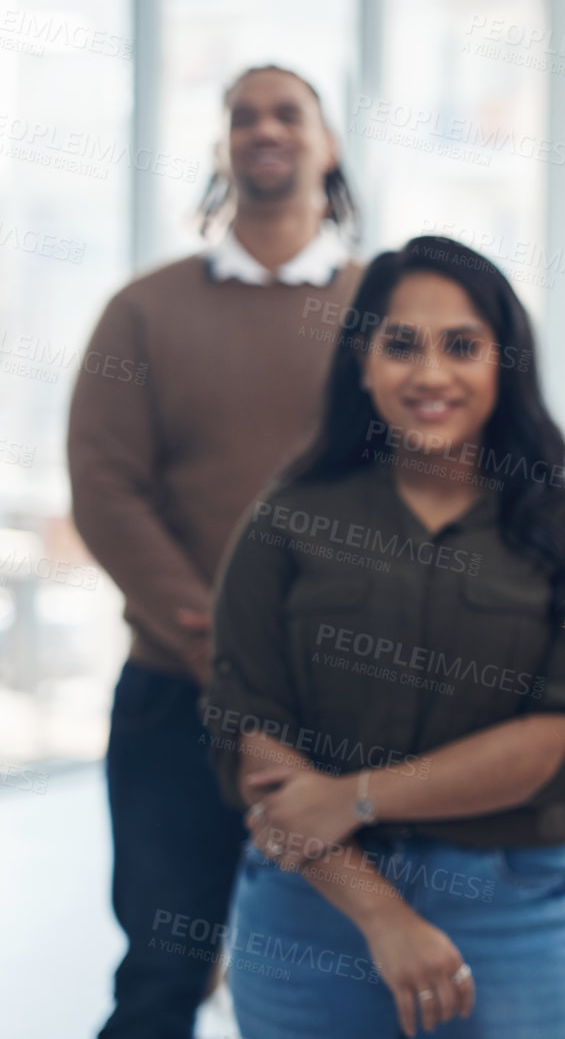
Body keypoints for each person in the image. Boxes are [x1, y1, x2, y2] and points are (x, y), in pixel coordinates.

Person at [199, 236, 565, 1038]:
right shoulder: (288, 518)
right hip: (311, 907)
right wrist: (382, 916)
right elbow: (247, 734)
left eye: (461, 345)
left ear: (505, 361)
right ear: (362, 361)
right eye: (400, 345)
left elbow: (563, 737)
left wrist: (355, 796)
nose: (429, 375)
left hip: (512, 911)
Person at [68, 64, 363, 1039]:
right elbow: (105, 490)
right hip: (174, 698)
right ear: (222, 147)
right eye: (243, 116)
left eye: (288, 112)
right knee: (162, 967)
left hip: (343, 710)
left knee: (339, 974)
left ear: (328, 145)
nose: (263, 129)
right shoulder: (143, 312)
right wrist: (214, 643)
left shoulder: (388, 315)